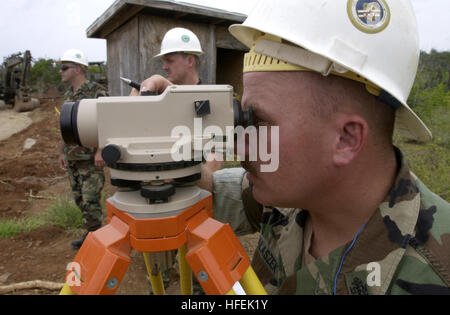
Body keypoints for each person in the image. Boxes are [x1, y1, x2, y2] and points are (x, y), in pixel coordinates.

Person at [135, 0, 450, 295]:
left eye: (257, 122)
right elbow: (211, 191)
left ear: (346, 139)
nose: (242, 146)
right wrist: (175, 117)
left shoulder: (437, 272)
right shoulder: (292, 193)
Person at [57, 49, 108, 249]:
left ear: (77, 69)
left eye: (64, 67)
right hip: (72, 157)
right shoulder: (68, 95)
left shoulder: (97, 91)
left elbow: (108, 120)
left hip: (89, 158)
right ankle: (91, 234)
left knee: (91, 200)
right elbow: (64, 127)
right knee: (79, 198)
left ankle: (95, 241)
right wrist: (61, 152)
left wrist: (101, 150)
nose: (61, 71)